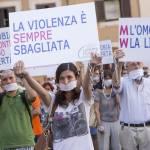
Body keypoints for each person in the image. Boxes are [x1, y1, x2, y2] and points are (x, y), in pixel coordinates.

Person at [13, 53, 101, 150]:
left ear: (76, 77)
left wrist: (91, 66)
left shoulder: (83, 98)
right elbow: (41, 92)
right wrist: (26, 75)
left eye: (69, 77)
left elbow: (86, 85)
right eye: (62, 78)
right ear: (57, 81)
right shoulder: (53, 101)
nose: (66, 81)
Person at [114, 61, 150, 150]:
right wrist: (118, 66)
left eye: (138, 63)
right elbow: (116, 85)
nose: (136, 66)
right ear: (127, 67)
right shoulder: (123, 81)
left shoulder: (149, 82)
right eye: (133, 64)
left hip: (146, 129)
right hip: (127, 129)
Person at [0, 69, 37, 150]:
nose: (8, 81)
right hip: (5, 144)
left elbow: (33, 96)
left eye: (11, 78)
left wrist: (23, 78)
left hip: (25, 143)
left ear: (15, 79)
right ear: (1, 82)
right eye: (4, 79)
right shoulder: (1, 98)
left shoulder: (23, 93)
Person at [94, 68, 121, 150]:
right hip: (104, 122)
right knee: (103, 147)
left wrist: (116, 91)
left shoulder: (116, 90)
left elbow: (118, 103)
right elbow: (96, 109)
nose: (108, 80)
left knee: (117, 147)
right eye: (106, 78)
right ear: (102, 79)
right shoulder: (98, 92)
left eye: (109, 78)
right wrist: (99, 124)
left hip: (116, 121)